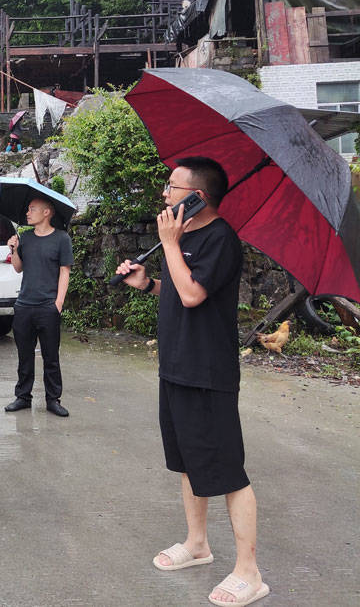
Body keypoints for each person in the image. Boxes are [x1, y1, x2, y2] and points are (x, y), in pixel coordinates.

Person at [114, 157, 268, 607]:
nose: (164, 194)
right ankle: (197, 543)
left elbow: (193, 293)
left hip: (208, 373)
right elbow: (182, 290)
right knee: (187, 461)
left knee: (228, 472)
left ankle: (249, 572)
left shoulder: (220, 238)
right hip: (176, 366)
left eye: (172, 187)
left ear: (199, 195)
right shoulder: (188, 238)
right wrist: (148, 284)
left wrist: (167, 245)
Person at [4, 196, 72, 417]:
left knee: (51, 356)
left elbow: (65, 271)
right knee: (25, 356)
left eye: (32, 209)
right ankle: (23, 396)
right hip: (24, 305)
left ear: (46, 212)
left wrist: (58, 303)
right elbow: (18, 268)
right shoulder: (25, 238)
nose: (28, 213)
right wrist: (13, 249)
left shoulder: (62, 239)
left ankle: (53, 399)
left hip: (48, 307)